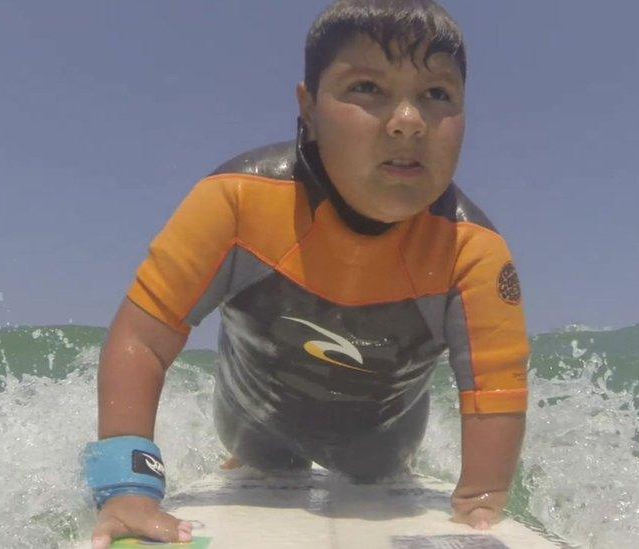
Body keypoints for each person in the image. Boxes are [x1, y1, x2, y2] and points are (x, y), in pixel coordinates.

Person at [84, 1, 529, 546]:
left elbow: (494, 394)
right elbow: (142, 340)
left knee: (380, 470)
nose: (409, 121)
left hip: (382, 455)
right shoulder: (237, 203)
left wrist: (481, 505)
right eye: (367, 88)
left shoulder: (474, 252)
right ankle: (240, 465)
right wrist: (127, 488)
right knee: (263, 458)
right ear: (309, 109)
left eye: (438, 94)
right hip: (254, 435)